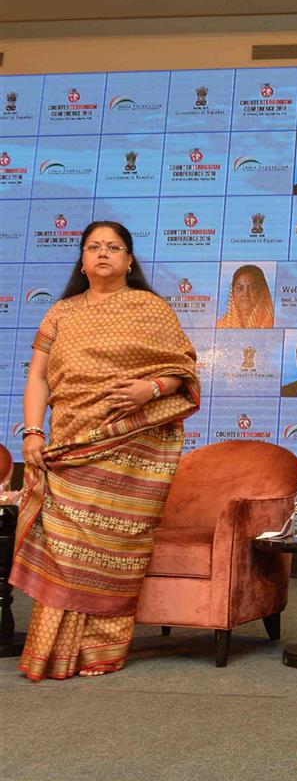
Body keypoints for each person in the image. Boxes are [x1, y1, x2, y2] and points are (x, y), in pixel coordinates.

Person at [11, 221, 200, 681]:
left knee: (114, 544)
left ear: (129, 260)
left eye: (113, 248)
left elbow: (181, 372)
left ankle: (98, 649)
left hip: (130, 446)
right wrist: (33, 432)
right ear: (81, 259)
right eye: (94, 247)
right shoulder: (60, 313)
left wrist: (149, 388)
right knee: (67, 547)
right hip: (70, 444)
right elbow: (38, 378)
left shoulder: (151, 309)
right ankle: (53, 650)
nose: (103, 254)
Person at [216, 264, 274, 329]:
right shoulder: (220, 327)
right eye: (239, 288)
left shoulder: (274, 324)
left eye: (253, 288)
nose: (245, 294)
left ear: (262, 291)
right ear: (232, 292)